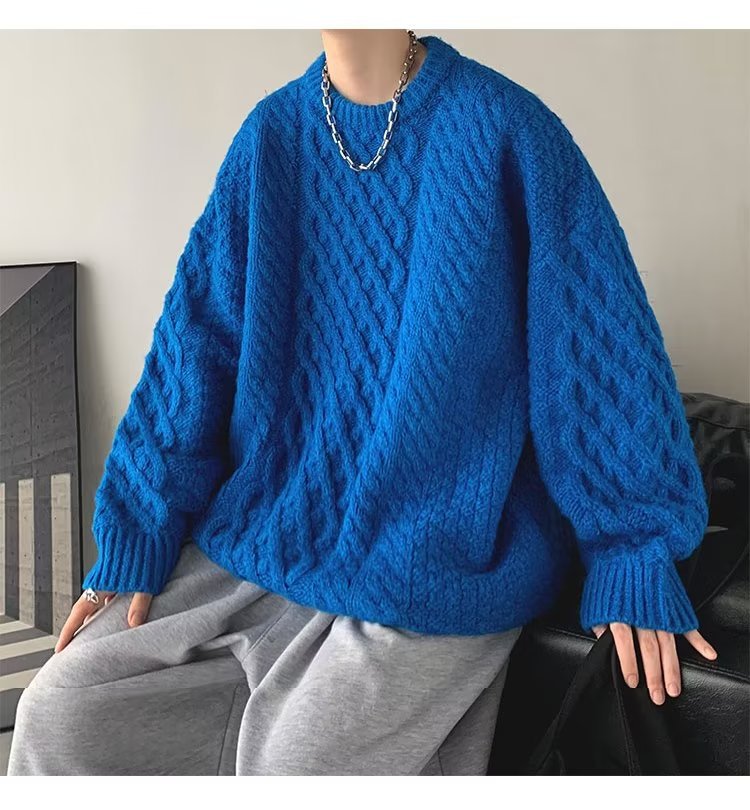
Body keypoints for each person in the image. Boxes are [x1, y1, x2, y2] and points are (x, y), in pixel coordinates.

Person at [8, 29, 717, 776]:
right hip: (262, 535)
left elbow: (596, 342)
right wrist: (139, 531)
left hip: (439, 549)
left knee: (299, 767)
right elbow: (196, 345)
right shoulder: (271, 136)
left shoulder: (507, 129)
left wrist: (631, 551)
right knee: (60, 712)